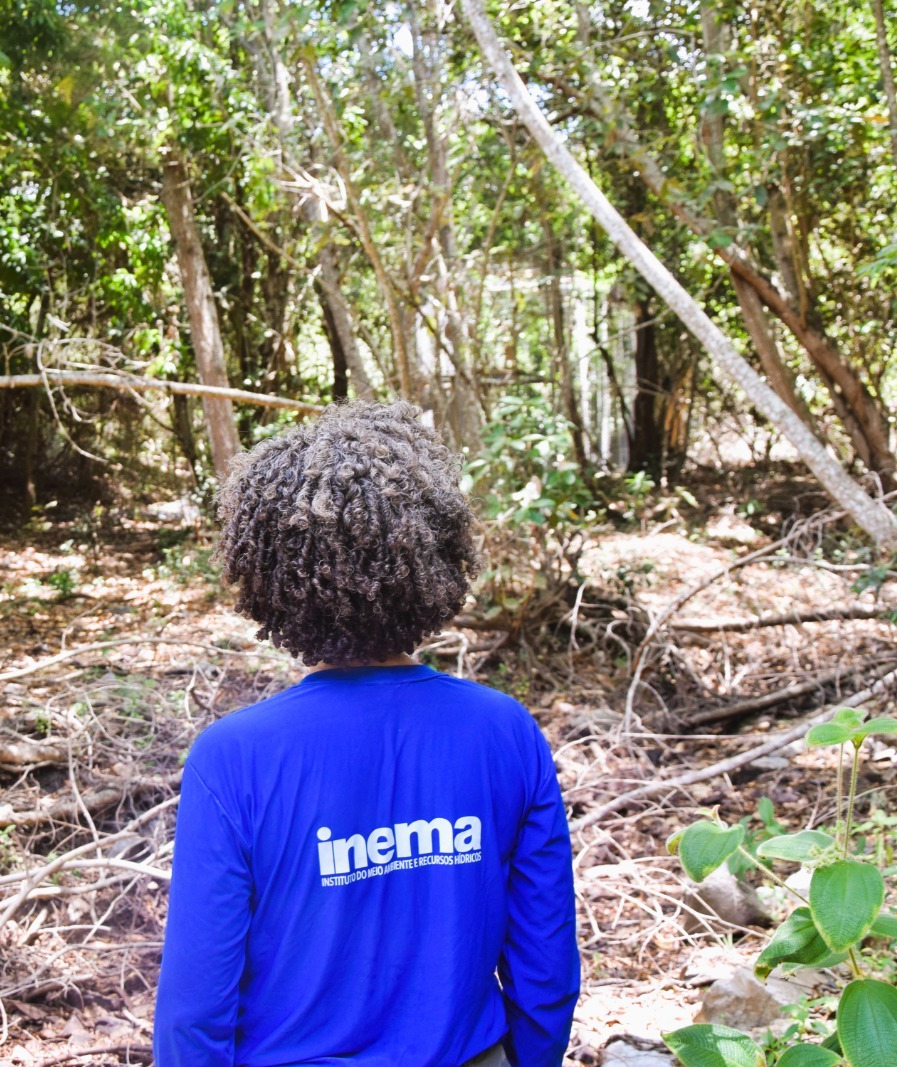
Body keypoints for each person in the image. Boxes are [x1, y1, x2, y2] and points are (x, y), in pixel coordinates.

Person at [154, 401, 579, 1067]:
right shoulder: (505, 732)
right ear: (434, 554)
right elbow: (545, 971)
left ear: (270, 575)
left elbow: (193, 1011)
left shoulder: (234, 758)